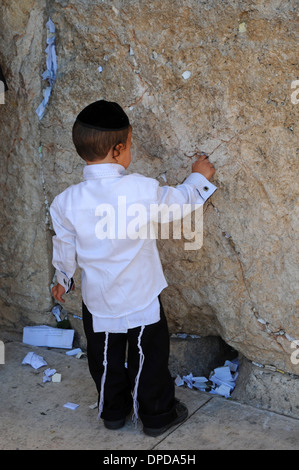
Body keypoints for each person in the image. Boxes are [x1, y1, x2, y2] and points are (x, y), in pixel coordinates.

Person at [50, 100, 217, 437]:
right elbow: (179, 203)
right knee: (149, 358)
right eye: (130, 146)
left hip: (98, 300)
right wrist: (199, 176)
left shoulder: (65, 201)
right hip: (141, 296)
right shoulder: (140, 189)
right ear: (119, 149)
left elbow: (64, 246)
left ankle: (113, 412)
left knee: (106, 360)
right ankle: (156, 417)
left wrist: (62, 279)